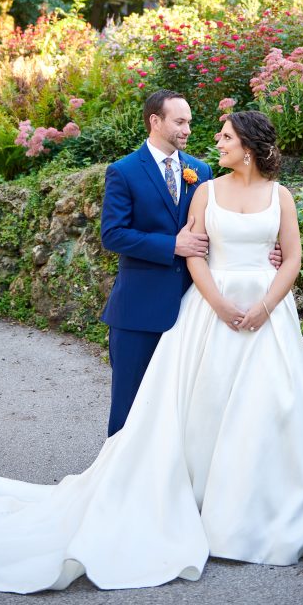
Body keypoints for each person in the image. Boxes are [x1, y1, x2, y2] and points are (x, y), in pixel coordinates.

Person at [0, 109, 303, 592]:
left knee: (268, 411)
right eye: (201, 128)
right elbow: (192, 249)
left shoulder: (277, 195)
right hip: (211, 311)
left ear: (248, 146)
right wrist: (220, 303)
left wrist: (264, 306)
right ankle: (200, 509)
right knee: (202, 411)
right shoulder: (205, 188)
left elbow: (294, 255)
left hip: (268, 316)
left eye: (225, 136)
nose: (212, 140)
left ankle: (259, 515)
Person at [100, 89, 213, 436]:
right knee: (129, 406)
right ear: (155, 121)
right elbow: (113, 235)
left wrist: (269, 253)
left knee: (182, 408)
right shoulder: (124, 171)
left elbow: (215, 230)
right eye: (180, 121)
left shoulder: (201, 170)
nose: (188, 130)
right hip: (138, 311)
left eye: (189, 122)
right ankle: (117, 484)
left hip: (192, 309)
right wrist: (171, 245)